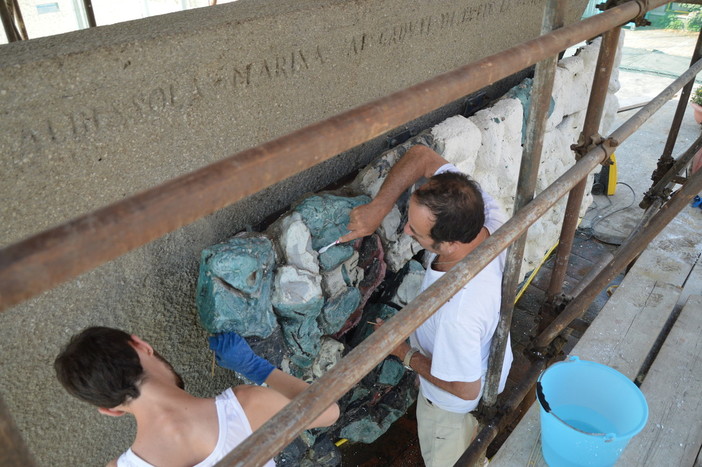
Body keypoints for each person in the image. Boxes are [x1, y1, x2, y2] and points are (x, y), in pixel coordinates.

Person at [338, 144, 513, 467]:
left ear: (448, 245)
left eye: (415, 232)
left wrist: (404, 353)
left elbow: (464, 388)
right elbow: (421, 155)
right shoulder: (487, 217)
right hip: (488, 365)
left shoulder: (457, 312)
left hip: (447, 407)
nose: (405, 229)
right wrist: (379, 206)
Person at [54, 327, 339, 467]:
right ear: (141, 344)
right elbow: (328, 412)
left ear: (109, 410)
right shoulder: (249, 406)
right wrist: (257, 367)